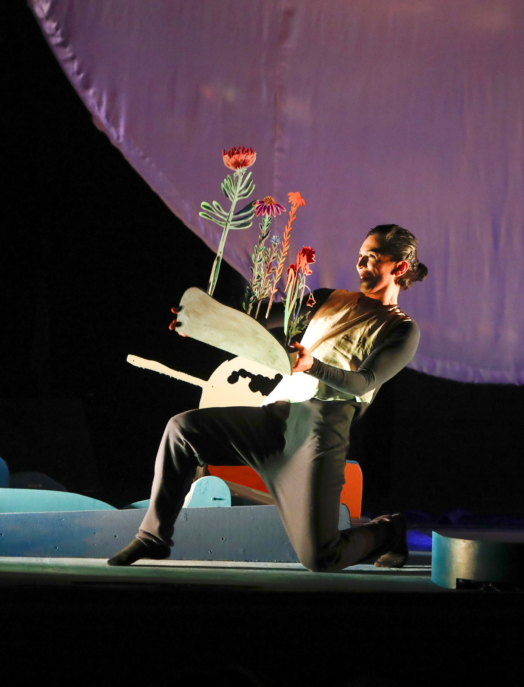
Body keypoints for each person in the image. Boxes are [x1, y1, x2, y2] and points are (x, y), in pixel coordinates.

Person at [108, 224, 429, 571]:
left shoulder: (402, 329)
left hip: (321, 432)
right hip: (277, 416)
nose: (361, 264)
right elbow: (259, 321)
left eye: (373, 257)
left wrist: (313, 366)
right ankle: (153, 537)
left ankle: (389, 530)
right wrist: (204, 322)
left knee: (321, 558)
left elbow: (363, 382)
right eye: (361, 256)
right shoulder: (327, 298)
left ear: (399, 267)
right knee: (182, 430)